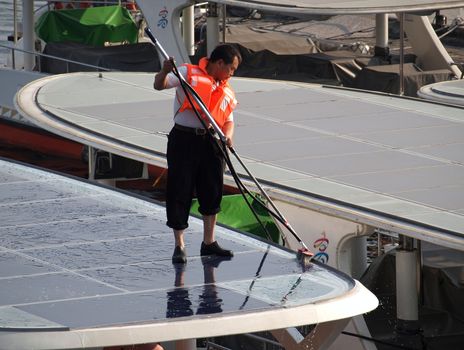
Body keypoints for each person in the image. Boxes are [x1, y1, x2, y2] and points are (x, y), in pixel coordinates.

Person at [154, 44, 242, 264]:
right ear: (219, 63)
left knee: (212, 189)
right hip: (184, 139)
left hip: (212, 141)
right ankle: (179, 245)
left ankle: (209, 242)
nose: (232, 74)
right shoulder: (187, 73)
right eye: (231, 69)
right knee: (180, 188)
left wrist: (228, 135)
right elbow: (159, 85)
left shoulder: (226, 88)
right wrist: (165, 70)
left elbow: (229, 119)